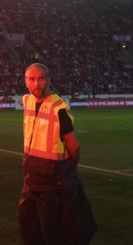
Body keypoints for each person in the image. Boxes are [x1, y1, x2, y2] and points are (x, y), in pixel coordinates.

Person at [18, 63, 96, 245]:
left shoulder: (58, 108)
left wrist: (66, 168)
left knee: (52, 232)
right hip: (31, 179)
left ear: (49, 80)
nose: (37, 83)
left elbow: (73, 146)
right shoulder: (28, 101)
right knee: (28, 226)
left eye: (41, 78)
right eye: (32, 79)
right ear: (26, 82)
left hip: (52, 182)